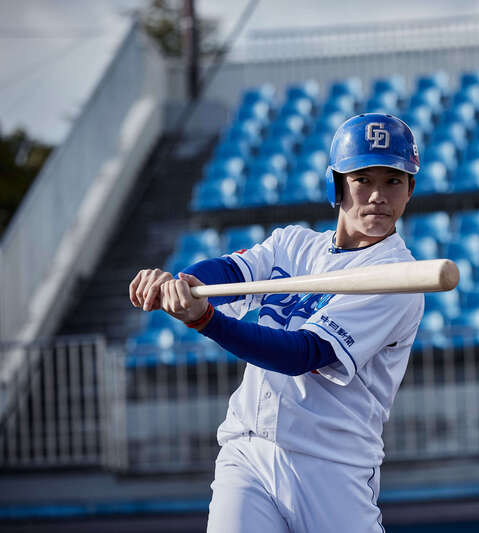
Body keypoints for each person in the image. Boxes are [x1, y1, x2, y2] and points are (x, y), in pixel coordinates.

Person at [128, 113, 424, 532]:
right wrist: (181, 284)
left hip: (330, 465)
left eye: (393, 180)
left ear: (410, 189)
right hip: (247, 449)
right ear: (336, 185)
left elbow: (304, 353)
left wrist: (206, 320)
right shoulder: (293, 243)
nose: (378, 195)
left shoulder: (397, 277)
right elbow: (230, 273)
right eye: (363, 179)